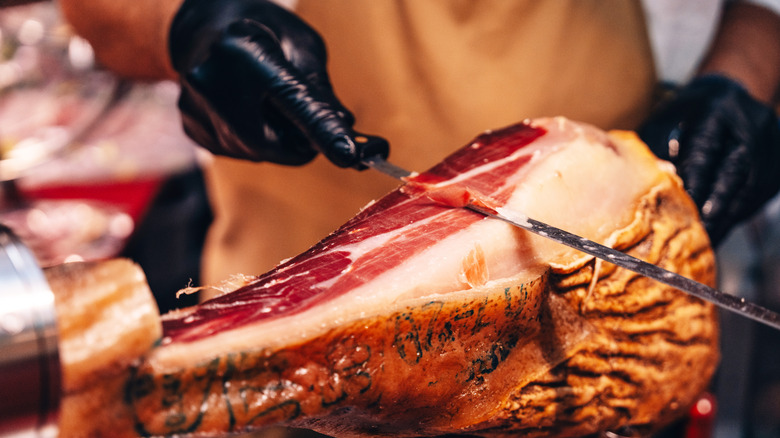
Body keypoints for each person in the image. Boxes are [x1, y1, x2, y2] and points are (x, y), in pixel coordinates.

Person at [55, 0, 780, 291]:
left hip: (606, 310)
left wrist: (736, 84)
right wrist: (189, 26)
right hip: (300, 330)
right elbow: (101, 10)